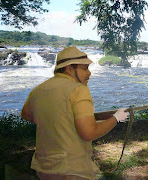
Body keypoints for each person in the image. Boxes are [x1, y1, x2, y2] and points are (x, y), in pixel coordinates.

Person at [21, 46, 129, 180]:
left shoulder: (39, 89)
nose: (89, 73)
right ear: (69, 68)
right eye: (84, 68)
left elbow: (26, 114)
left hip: (44, 166)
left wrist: (61, 123)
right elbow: (89, 133)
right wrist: (116, 118)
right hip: (72, 169)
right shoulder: (78, 90)